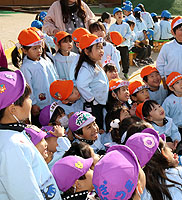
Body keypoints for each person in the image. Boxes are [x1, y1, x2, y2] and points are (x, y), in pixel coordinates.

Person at [0, 69, 61, 199]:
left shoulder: (12, 134)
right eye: (27, 98)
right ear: (13, 109)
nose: (31, 101)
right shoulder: (11, 146)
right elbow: (25, 194)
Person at [12, 29, 58, 125]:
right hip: (39, 106)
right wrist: (33, 103)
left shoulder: (45, 60)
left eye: (40, 47)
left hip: (53, 101)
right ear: (24, 50)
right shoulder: (26, 67)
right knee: (41, 126)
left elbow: (54, 76)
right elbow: (28, 87)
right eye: (34, 48)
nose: (39, 51)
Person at [74, 33, 108, 130]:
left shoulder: (94, 64)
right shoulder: (85, 68)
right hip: (93, 105)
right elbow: (81, 85)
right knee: (96, 126)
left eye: (101, 48)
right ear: (87, 51)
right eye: (97, 48)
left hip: (98, 102)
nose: (101, 51)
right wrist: (91, 99)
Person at [162, 72, 182, 149]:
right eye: (177, 83)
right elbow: (165, 116)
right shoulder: (168, 101)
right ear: (171, 88)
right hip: (174, 129)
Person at [109, 7, 132, 79]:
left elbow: (129, 33)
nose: (119, 15)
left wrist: (124, 39)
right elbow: (110, 35)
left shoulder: (126, 25)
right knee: (116, 60)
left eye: (120, 13)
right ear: (114, 16)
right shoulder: (112, 26)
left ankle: (125, 72)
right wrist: (113, 42)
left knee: (125, 60)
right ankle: (116, 73)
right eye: (117, 14)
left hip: (124, 45)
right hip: (116, 46)